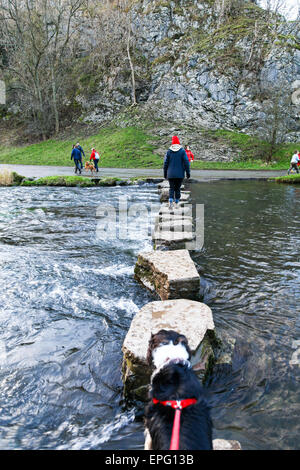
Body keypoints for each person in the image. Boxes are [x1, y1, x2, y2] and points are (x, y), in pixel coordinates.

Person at [163, 135, 190, 209]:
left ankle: (171, 201)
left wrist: (165, 174)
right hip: (180, 174)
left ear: (172, 142)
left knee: (171, 188)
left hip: (170, 174)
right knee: (177, 188)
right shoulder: (182, 151)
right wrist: (188, 173)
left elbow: (165, 163)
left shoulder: (169, 151)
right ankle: (177, 203)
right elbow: (186, 162)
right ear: (178, 142)